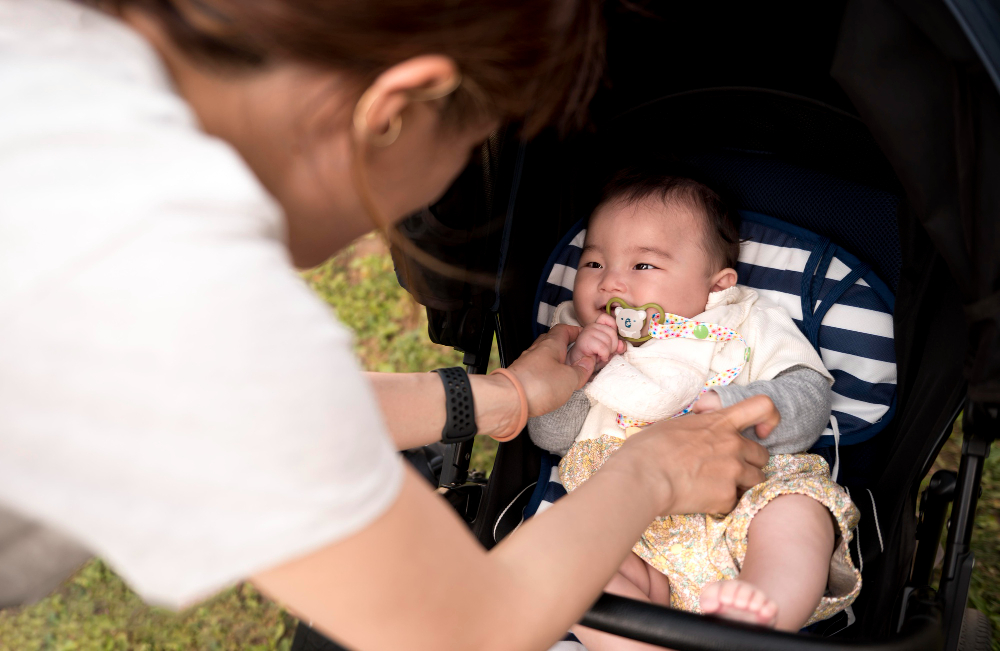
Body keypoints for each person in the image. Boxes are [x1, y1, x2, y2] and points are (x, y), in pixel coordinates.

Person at [0, 1, 776, 649]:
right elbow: (467, 627)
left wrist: (501, 396)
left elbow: (249, 409)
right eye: (471, 144)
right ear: (396, 108)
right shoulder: (168, 288)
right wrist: (651, 471)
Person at [529, 169, 861, 649]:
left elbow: (810, 399)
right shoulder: (571, 340)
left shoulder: (746, 320)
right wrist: (577, 373)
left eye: (643, 265)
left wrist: (735, 405)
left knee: (797, 513)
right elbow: (550, 437)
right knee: (563, 561)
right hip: (627, 524)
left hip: (745, 496)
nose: (610, 282)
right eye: (594, 263)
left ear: (716, 285)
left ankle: (756, 617)